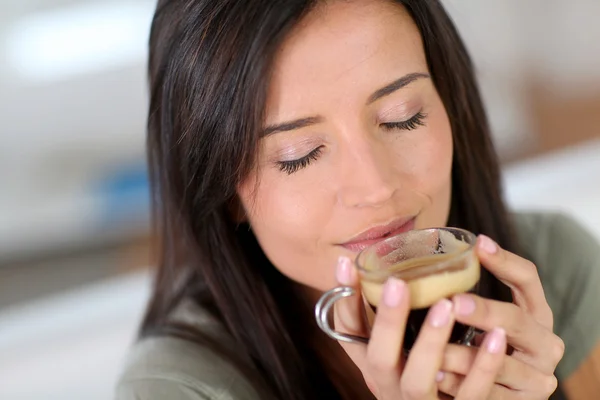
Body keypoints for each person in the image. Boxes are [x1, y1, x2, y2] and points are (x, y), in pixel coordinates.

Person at [116, 0, 600, 399]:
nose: (375, 187)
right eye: (298, 156)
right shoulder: (178, 387)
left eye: (402, 118)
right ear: (225, 194)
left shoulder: (559, 267)